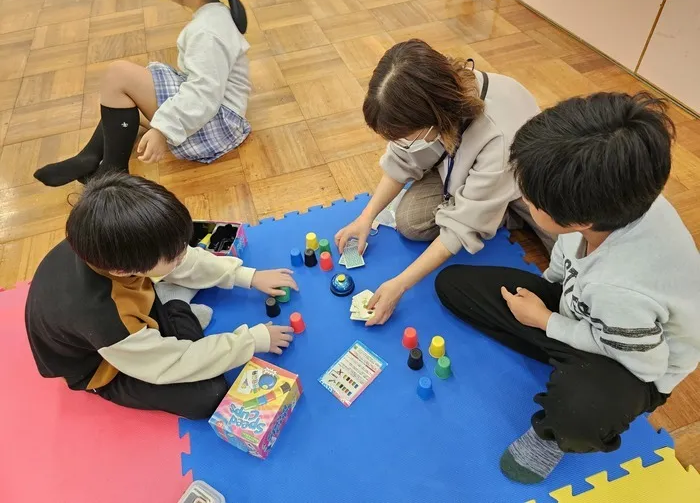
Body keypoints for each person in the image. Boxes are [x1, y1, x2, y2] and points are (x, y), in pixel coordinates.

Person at [435, 92, 700, 483]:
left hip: (633, 365)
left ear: (580, 218)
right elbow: (566, 257)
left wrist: (545, 322)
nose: (522, 199)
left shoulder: (621, 287)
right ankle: (566, 358)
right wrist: (545, 300)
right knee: (454, 285)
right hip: (586, 314)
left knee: (582, 411)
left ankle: (556, 433)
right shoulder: (617, 203)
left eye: (530, 197)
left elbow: (648, 364)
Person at [25, 173, 298, 420]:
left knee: (175, 280)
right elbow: (173, 363)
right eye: (175, 257)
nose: (184, 255)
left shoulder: (101, 238)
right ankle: (175, 304)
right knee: (208, 397)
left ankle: (171, 304)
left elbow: (184, 258)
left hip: (127, 326)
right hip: (103, 366)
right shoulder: (108, 319)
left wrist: (248, 277)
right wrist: (249, 342)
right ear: (123, 269)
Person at [335, 39, 552, 326]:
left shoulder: (498, 135)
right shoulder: (436, 99)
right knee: (410, 222)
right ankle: (487, 208)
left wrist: (399, 285)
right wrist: (366, 217)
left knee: (562, 253)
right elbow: (401, 159)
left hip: (524, 187)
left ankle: (498, 210)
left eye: (405, 135)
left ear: (435, 118)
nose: (399, 144)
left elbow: (459, 229)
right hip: (465, 171)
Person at [34, 0, 251, 187]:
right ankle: (90, 156)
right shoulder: (213, 17)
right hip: (218, 116)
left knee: (118, 75)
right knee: (124, 102)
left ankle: (113, 174)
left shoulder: (207, 32)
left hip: (218, 126)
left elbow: (203, 95)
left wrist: (163, 130)